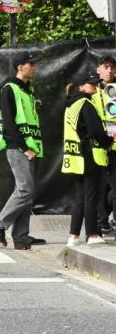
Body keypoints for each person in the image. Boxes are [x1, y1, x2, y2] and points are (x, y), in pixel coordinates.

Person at [0, 52, 46, 250]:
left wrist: (32, 147)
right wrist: (24, 148)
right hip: (19, 147)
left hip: (31, 147)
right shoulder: (9, 89)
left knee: (27, 193)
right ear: (20, 66)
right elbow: (9, 123)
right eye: (31, 64)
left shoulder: (28, 90)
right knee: (25, 189)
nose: (34, 67)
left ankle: (21, 237)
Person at [62, 71, 112, 247]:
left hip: (76, 157)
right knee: (92, 197)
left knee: (81, 198)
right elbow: (95, 132)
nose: (95, 85)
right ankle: (92, 234)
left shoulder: (71, 104)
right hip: (89, 156)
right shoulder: (86, 104)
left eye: (96, 82)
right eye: (91, 83)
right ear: (81, 86)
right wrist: (109, 141)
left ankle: (73, 235)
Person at [91, 55, 116, 234]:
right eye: (106, 67)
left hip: (114, 145)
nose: (109, 71)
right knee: (99, 186)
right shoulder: (92, 89)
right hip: (98, 145)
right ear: (98, 69)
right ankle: (100, 222)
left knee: (111, 188)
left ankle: (104, 219)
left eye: (112, 67)